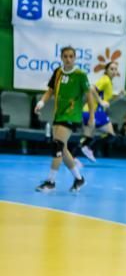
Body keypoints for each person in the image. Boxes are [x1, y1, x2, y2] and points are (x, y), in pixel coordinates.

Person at [34, 46, 108, 192]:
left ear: (74, 58)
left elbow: (89, 96)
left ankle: (51, 182)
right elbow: (50, 91)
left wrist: (92, 116)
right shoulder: (58, 72)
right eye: (65, 56)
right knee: (63, 149)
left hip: (72, 116)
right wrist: (41, 102)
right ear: (61, 57)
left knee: (57, 147)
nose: (68, 59)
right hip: (58, 114)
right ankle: (79, 179)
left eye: (71, 56)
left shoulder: (80, 75)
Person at [73, 61, 123, 163]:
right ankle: (89, 148)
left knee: (88, 137)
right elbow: (91, 88)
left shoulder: (109, 82)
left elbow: (106, 99)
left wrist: (119, 96)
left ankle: (73, 157)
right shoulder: (105, 80)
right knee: (111, 135)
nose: (114, 71)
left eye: (115, 69)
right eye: (111, 69)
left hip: (88, 111)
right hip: (95, 112)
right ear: (106, 70)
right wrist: (100, 101)